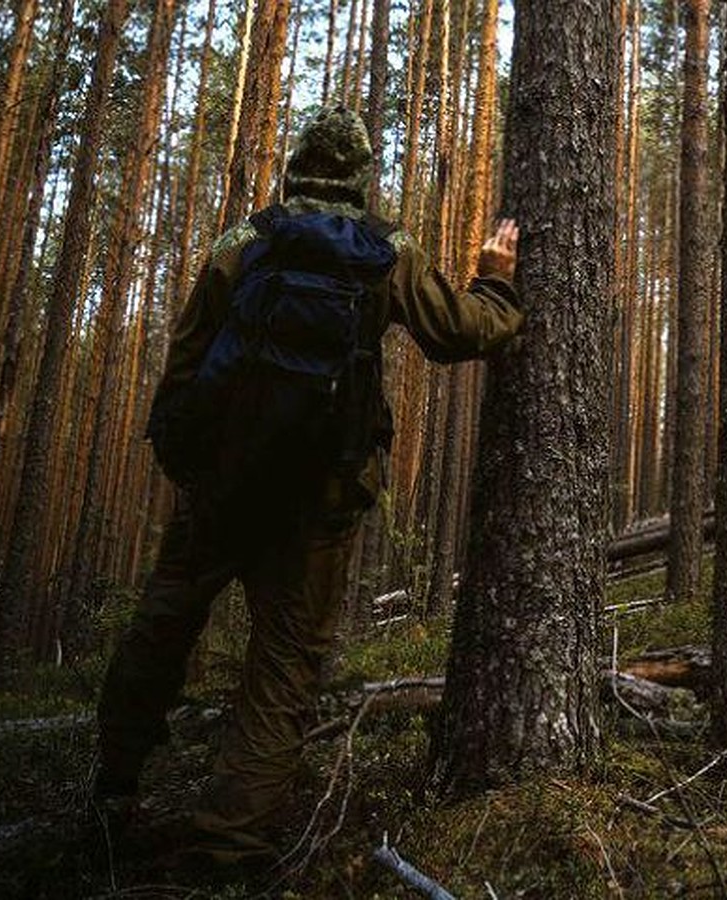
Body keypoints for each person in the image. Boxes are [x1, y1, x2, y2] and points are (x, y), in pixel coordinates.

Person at [93, 106, 523, 866]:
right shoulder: (386, 248)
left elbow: (185, 364)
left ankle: (113, 793)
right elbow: (461, 332)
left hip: (222, 485)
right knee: (285, 659)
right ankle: (230, 839)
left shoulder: (244, 241)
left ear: (294, 165)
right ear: (362, 177)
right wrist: (495, 283)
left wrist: (191, 470)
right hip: (322, 493)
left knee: (162, 627)